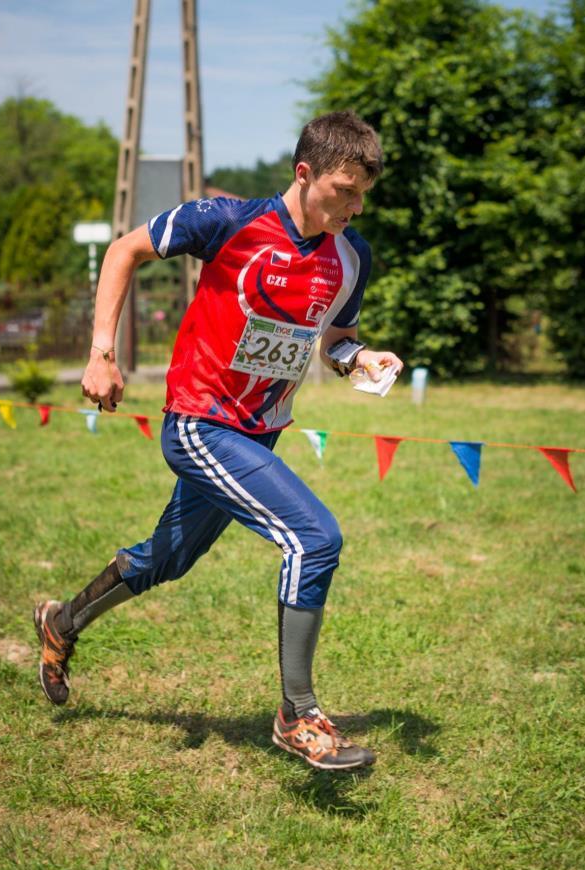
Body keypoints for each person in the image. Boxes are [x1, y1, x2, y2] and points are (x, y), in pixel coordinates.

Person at [34, 111, 403, 771]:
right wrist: (101, 352)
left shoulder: (352, 256)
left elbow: (336, 339)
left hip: (260, 439)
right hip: (201, 425)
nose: (355, 205)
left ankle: (61, 622)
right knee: (314, 537)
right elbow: (124, 250)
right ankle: (298, 713)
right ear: (304, 173)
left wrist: (361, 359)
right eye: (343, 189)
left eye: (363, 193)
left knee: (164, 560)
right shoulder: (227, 221)